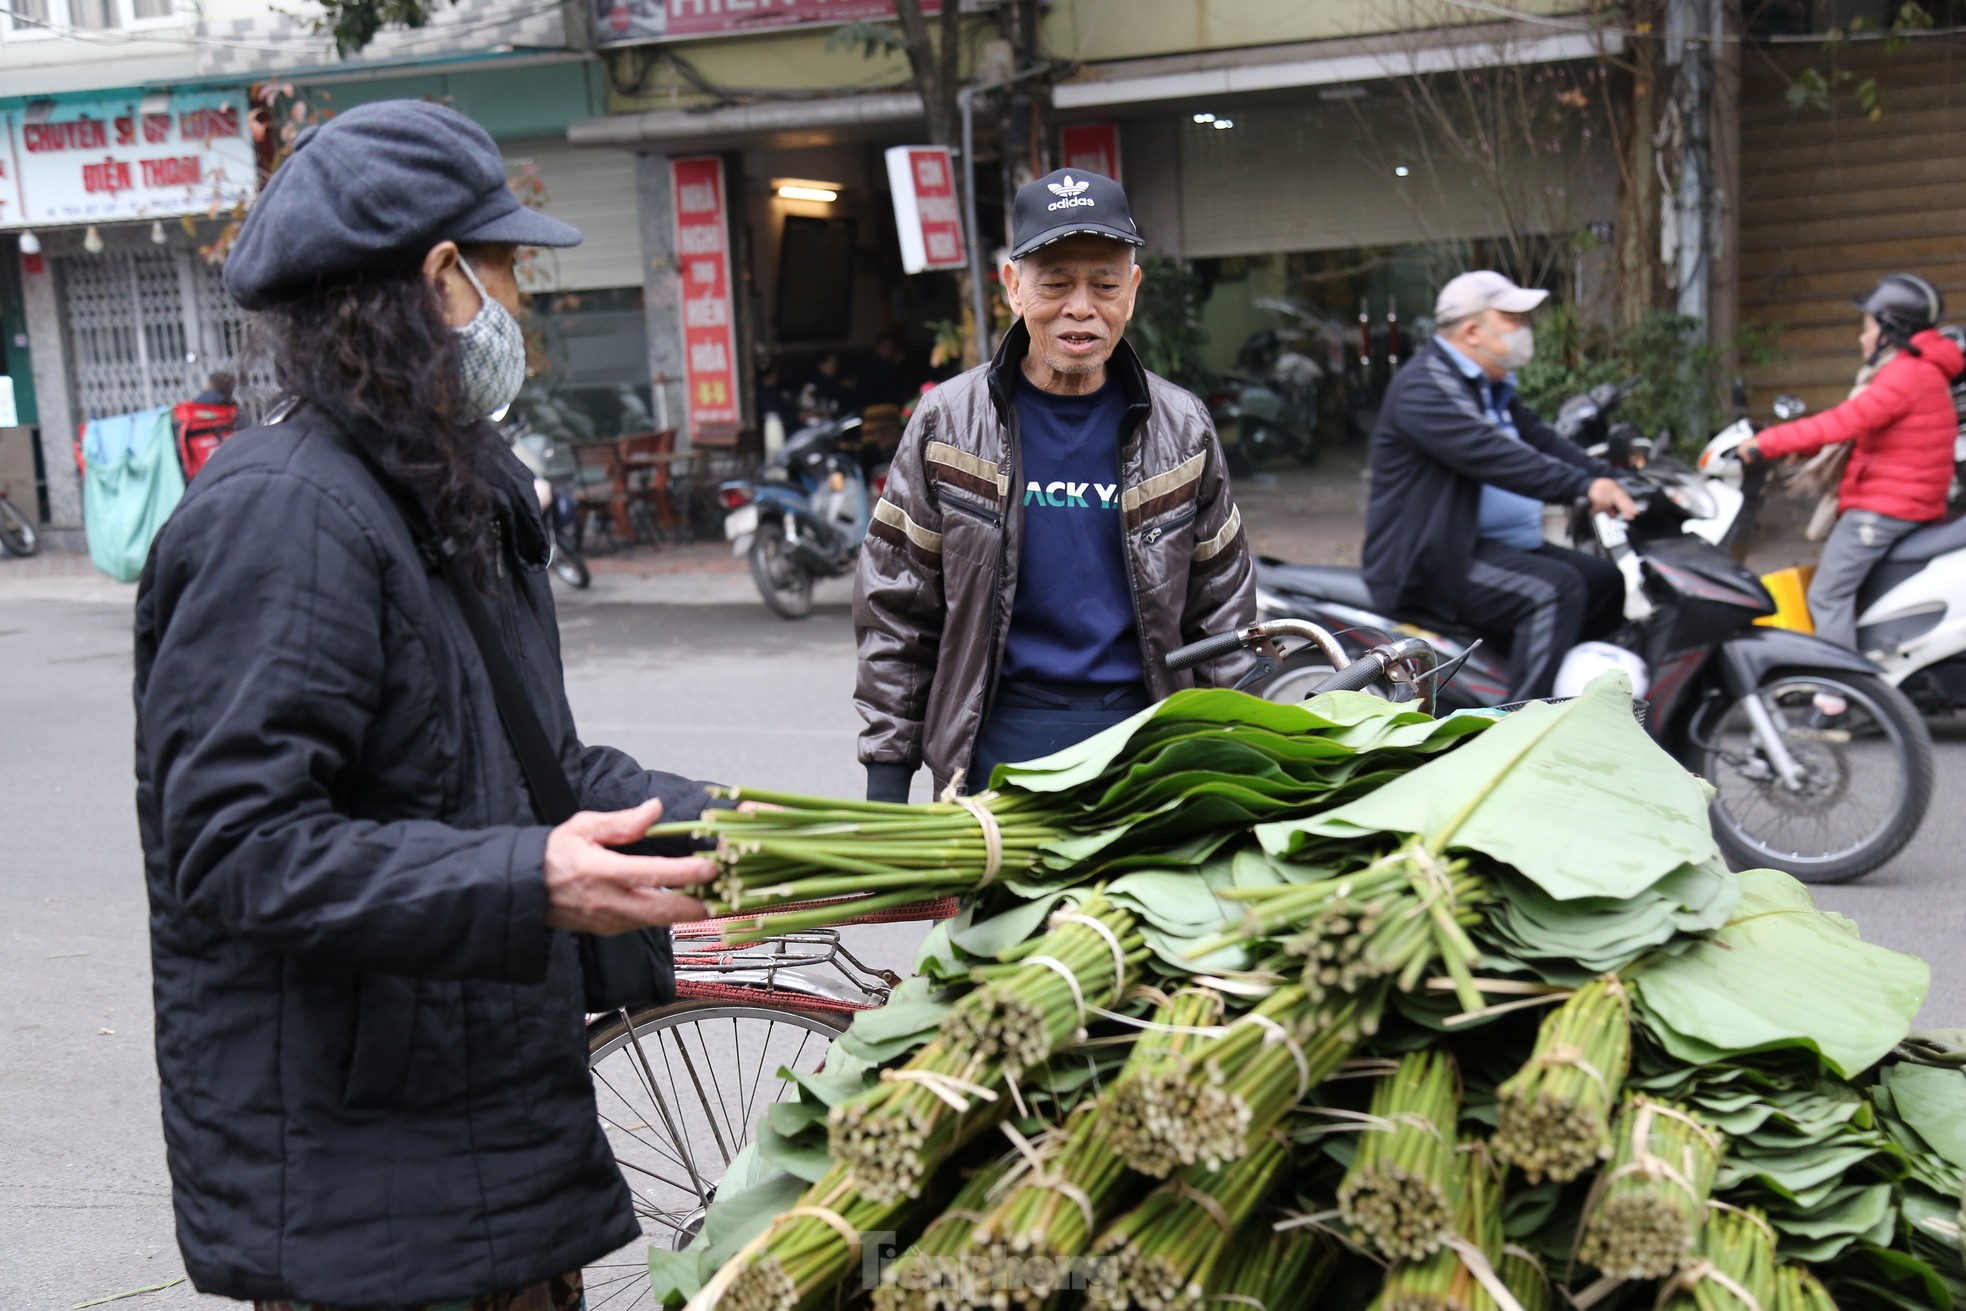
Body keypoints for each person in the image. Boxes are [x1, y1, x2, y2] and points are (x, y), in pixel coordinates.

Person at [133, 101, 718, 1311]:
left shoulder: (442, 490)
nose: (529, 304)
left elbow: (540, 771)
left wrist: (761, 831)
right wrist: (529, 884)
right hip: (373, 1194)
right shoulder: (288, 514)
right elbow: (237, 847)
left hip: (484, 1143)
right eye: (510, 266)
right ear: (444, 280)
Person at [854, 167, 1257, 801]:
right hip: (993, 750)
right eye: (1056, 283)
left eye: (1104, 284)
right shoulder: (947, 422)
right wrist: (886, 781)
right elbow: (897, 610)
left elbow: (1223, 615)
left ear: (1132, 292)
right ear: (1013, 287)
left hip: (1146, 747)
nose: (1081, 307)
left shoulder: (1184, 429)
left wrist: (1233, 759)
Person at [1362, 271, 1637, 703]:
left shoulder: (1490, 385)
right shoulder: (1426, 386)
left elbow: (1543, 442)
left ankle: (1578, 695)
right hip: (1434, 557)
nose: (1526, 330)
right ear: (1472, 331)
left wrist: (1614, 480)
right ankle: (1519, 725)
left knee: (1604, 580)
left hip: (1491, 544)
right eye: (1514, 319)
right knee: (1554, 590)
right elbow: (1497, 455)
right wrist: (1584, 488)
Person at [1739, 273, 1965, 651]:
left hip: (1882, 510)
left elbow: (1844, 422)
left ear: (1891, 330)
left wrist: (1766, 442)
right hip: (1910, 502)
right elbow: (1868, 431)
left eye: (1867, 327)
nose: (1862, 338)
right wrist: (1803, 447)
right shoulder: (1923, 371)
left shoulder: (1905, 375)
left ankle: (1836, 693)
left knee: (1827, 595)